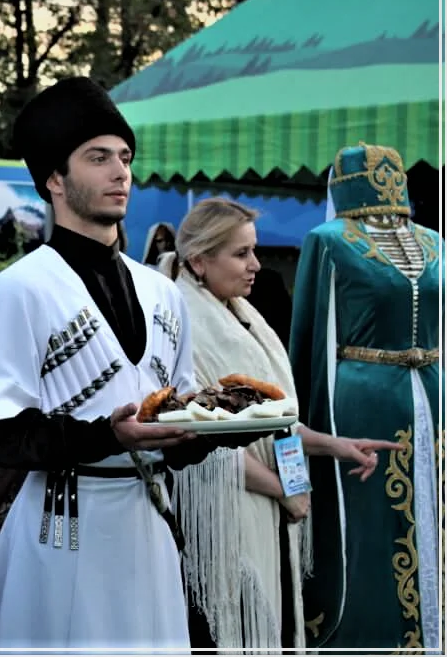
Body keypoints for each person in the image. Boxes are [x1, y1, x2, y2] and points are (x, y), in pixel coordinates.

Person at [0, 76, 258, 651]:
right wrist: (107, 434)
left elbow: (177, 415)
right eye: (98, 158)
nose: (119, 172)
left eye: (124, 157)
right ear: (54, 178)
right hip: (64, 528)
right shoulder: (19, 289)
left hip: (147, 522)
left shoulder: (163, 293)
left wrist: (209, 432)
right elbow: (0, 434)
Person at [156, 198, 402, 650]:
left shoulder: (245, 317)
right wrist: (281, 488)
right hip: (219, 526)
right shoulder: (181, 326)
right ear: (199, 260)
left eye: (255, 250)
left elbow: (275, 422)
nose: (256, 265)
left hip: (266, 517)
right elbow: (198, 439)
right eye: (241, 253)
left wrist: (338, 446)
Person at [289, 143, 442, 649]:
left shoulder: (434, 242)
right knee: (370, 523)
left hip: (434, 396)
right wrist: (302, 435)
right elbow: (311, 338)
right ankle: (365, 632)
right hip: (361, 402)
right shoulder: (329, 240)